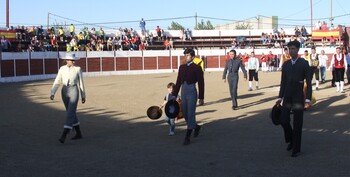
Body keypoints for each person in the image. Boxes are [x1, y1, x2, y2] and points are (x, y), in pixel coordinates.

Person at [275, 40, 312, 157]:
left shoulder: (304, 63)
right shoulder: (285, 65)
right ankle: (291, 139)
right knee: (284, 120)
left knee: (297, 123)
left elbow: (309, 83)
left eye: (293, 49)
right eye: (290, 49)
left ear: (298, 50)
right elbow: (283, 82)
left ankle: (296, 148)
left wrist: (307, 100)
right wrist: (280, 97)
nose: (291, 51)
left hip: (298, 96)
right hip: (287, 95)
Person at [50, 53, 86, 144]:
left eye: (74, 60)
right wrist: (52, 92)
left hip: (74, 90)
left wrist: (83, 95)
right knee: (71, 111)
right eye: (71, 60)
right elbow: (57, 81)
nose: (73, 62)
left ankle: (64, 134)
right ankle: (78, 133)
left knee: (70, 112)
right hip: (64, 91)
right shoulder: (62, 69)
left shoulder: (78, 69)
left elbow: (81, 83)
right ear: (67, 61)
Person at [172, 48, 204, 145]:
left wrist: (201, 97)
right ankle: (196, 126)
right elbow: (178, 82)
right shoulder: (181, 67)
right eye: (185, 55)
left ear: (193, 57)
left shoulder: (197, 68)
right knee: (185, 113)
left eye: (188, 55)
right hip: (183, 90)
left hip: (191, 91)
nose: (186, 57)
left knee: (190, 114)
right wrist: (174, 94)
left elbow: (201, 83)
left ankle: (187, 137)